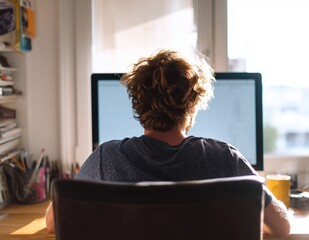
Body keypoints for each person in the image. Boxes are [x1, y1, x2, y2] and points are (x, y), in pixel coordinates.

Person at [46, 49, 290, 237]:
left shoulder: (105, 158)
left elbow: (52, 223)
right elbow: (282, 228)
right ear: (193, 104)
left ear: (137, 103)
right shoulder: (226, 158)